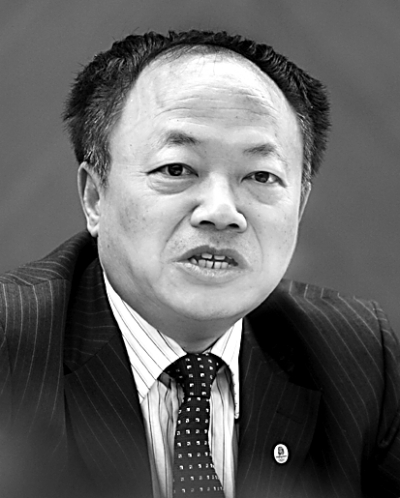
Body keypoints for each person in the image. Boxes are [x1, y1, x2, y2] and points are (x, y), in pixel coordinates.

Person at [0, 30, 399, 498]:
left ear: (300, 206)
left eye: (261, 176)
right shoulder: (12, 346)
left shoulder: (357, 358)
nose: (222, 211)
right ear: (94, 197)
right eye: (176, 169)